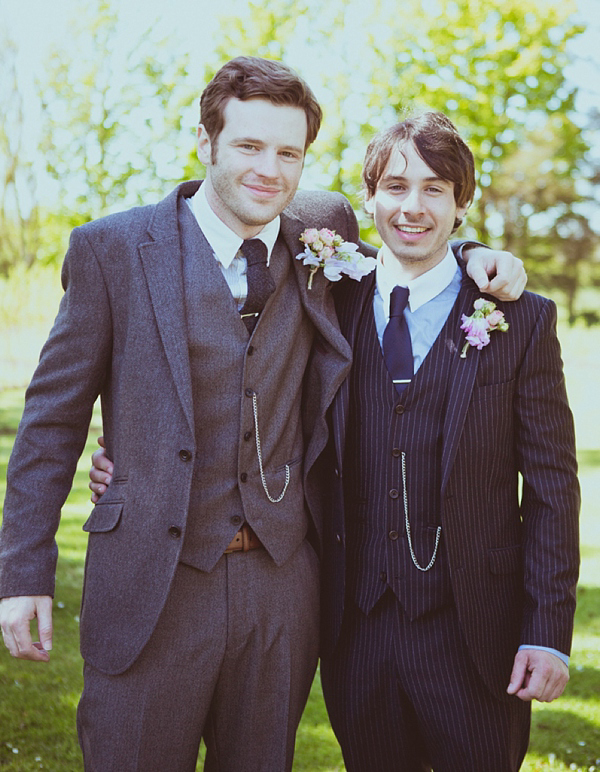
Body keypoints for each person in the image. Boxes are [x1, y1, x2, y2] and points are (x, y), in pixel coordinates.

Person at [0, 55, 524, 772]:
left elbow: (410, 239)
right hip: (152, 577)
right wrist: (24, 571)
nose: (269, 169)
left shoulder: (323, 228)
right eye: (249, 145)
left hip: (283, 583)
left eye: (289, 152)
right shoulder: (112, 250)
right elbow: (52, 421)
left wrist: (473, 251)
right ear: (205, 142)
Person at [316, 111, 580, 771]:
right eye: (396, 186)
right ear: (368, 197)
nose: (413, 206)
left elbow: (552, 488)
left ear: (463, 205)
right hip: (356, 632)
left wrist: (547, 635)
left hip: (475, 635)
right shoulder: (325, 302)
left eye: (436, 188)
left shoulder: (522, 319)